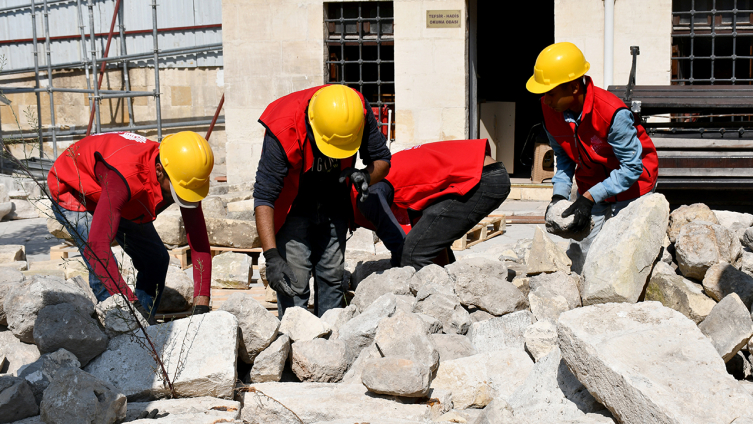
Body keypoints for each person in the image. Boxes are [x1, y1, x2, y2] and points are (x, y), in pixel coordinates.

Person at [253, 84, 391, 317]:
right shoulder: (283, 127)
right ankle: (295, 346)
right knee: (293, 285)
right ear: (312, 124)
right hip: (293, 208)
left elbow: (382, 160)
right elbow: (264, 197)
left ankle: (328, 343)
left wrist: (365, 176)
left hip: (334, 203)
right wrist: (272, 256)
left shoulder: (356, 112)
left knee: (332, 281)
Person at [48, 131, 215, 322]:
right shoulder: (126, 176)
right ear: (159, 170)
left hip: (118, 193)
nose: (186, 196)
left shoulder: (185, 175)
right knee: (102, 270)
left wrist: (202, 303)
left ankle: (143, 324)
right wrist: (131, 305)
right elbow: (98, 247)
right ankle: (120, 327)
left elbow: (199, 242)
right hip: (74, 189)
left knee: (156, 259)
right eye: (181, 191)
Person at [526, 42, 659, 271]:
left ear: (574, 87)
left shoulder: (611, 113)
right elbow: (564, 157)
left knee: (626, 258)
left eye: (550, 92)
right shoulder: (550, 110)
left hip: (634, 187)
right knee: (586, 253)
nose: (545, 100)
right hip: (592, 183)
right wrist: (559, 196)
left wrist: (588, 197)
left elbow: (631, 168)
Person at [352, 139, 511, 270]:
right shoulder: (384, 177)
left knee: (412, 254)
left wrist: (399, 263)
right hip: (481, 173)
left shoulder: (364, 191)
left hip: (481, 179)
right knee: (422, 242)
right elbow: (422, 231)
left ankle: (439, 305)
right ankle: (448, 289)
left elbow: (394, 236)